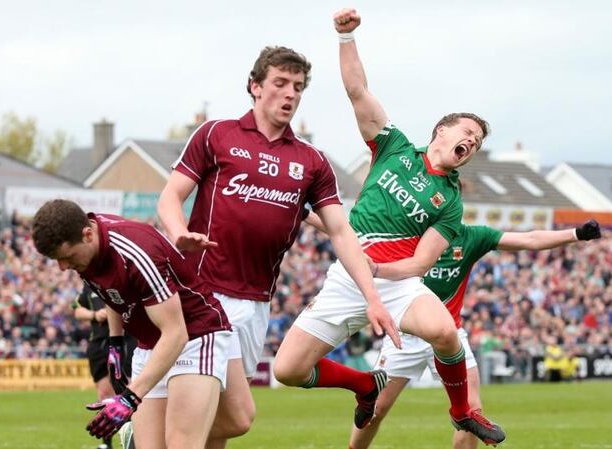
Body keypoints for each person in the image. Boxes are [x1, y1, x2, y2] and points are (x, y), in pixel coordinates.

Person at [273, 8, 504, 446]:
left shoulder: (450, 203)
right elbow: (358, 90)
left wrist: (376, 271)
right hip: (346, 279)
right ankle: (364, 385)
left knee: (444, 331)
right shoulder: (394, 145)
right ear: (441, 130)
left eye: (475, 143)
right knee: (287, 370)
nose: (470, 143)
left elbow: (419, 263)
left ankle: (463, 411)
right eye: (467, 133)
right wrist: (346, 38)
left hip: (392, 282)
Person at [157, 45, 388, 449]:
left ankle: (148, 435)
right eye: (280, 83)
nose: (290, 94)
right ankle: (150, 436)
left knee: (221, 421)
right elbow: (169, 197)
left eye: (298, 87)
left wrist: (372, 296)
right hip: (203, 293)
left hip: (256, 305)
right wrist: (178, 233)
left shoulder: (311, 161)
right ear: (255, 86)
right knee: (239, 416)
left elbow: (340, 232)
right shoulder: (217, 134)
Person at [305, 212, 602, 448]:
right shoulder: (406, 233)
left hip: (449, 336)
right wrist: (304, 212)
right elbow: (346, 232)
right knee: (377, 411)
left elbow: (530, 238)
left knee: (472, 413)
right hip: (404, 337)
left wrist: (575, 234)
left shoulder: (472, 237)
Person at [32, 199, 234, 449]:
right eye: (57, 260)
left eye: (66, 257)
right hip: (150, 343)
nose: (63, 267)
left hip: (194, 336)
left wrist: (130, 397)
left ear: (87, 234)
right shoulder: (86, 250)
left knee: (184, 442)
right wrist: (115, 343)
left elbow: (176, 333)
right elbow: (113, 291)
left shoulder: (136, 252)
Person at [73, 285, 137, 449]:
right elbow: (76, 309)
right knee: (104, 394)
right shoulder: (88, 287)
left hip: (126, 339)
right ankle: (107, 444)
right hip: (100, 343)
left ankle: (133, 438)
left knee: (131, 389)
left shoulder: (121, 277)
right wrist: (94, 314)